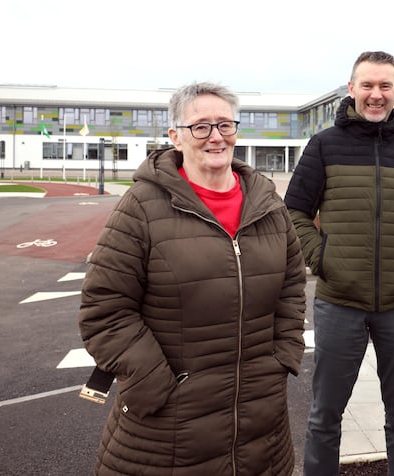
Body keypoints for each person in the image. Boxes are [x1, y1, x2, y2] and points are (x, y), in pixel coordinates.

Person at [78, 82, 306, 475]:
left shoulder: (267, 205)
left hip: (260, 427)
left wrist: (282, 358)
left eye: (225, 125)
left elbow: (291, 287)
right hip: (167, 430)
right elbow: (105, 310)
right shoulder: (141, 207)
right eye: (201, 126)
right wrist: (157, 385)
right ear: (175, 138)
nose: (216, 136)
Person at [285, 51, 394, 475]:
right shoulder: (324, 145)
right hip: (340, 304)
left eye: (385, 86)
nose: (376, 95)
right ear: (352, 88)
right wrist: (322, 259)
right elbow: (295, 211)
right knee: (324, 417)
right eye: (368, 85)